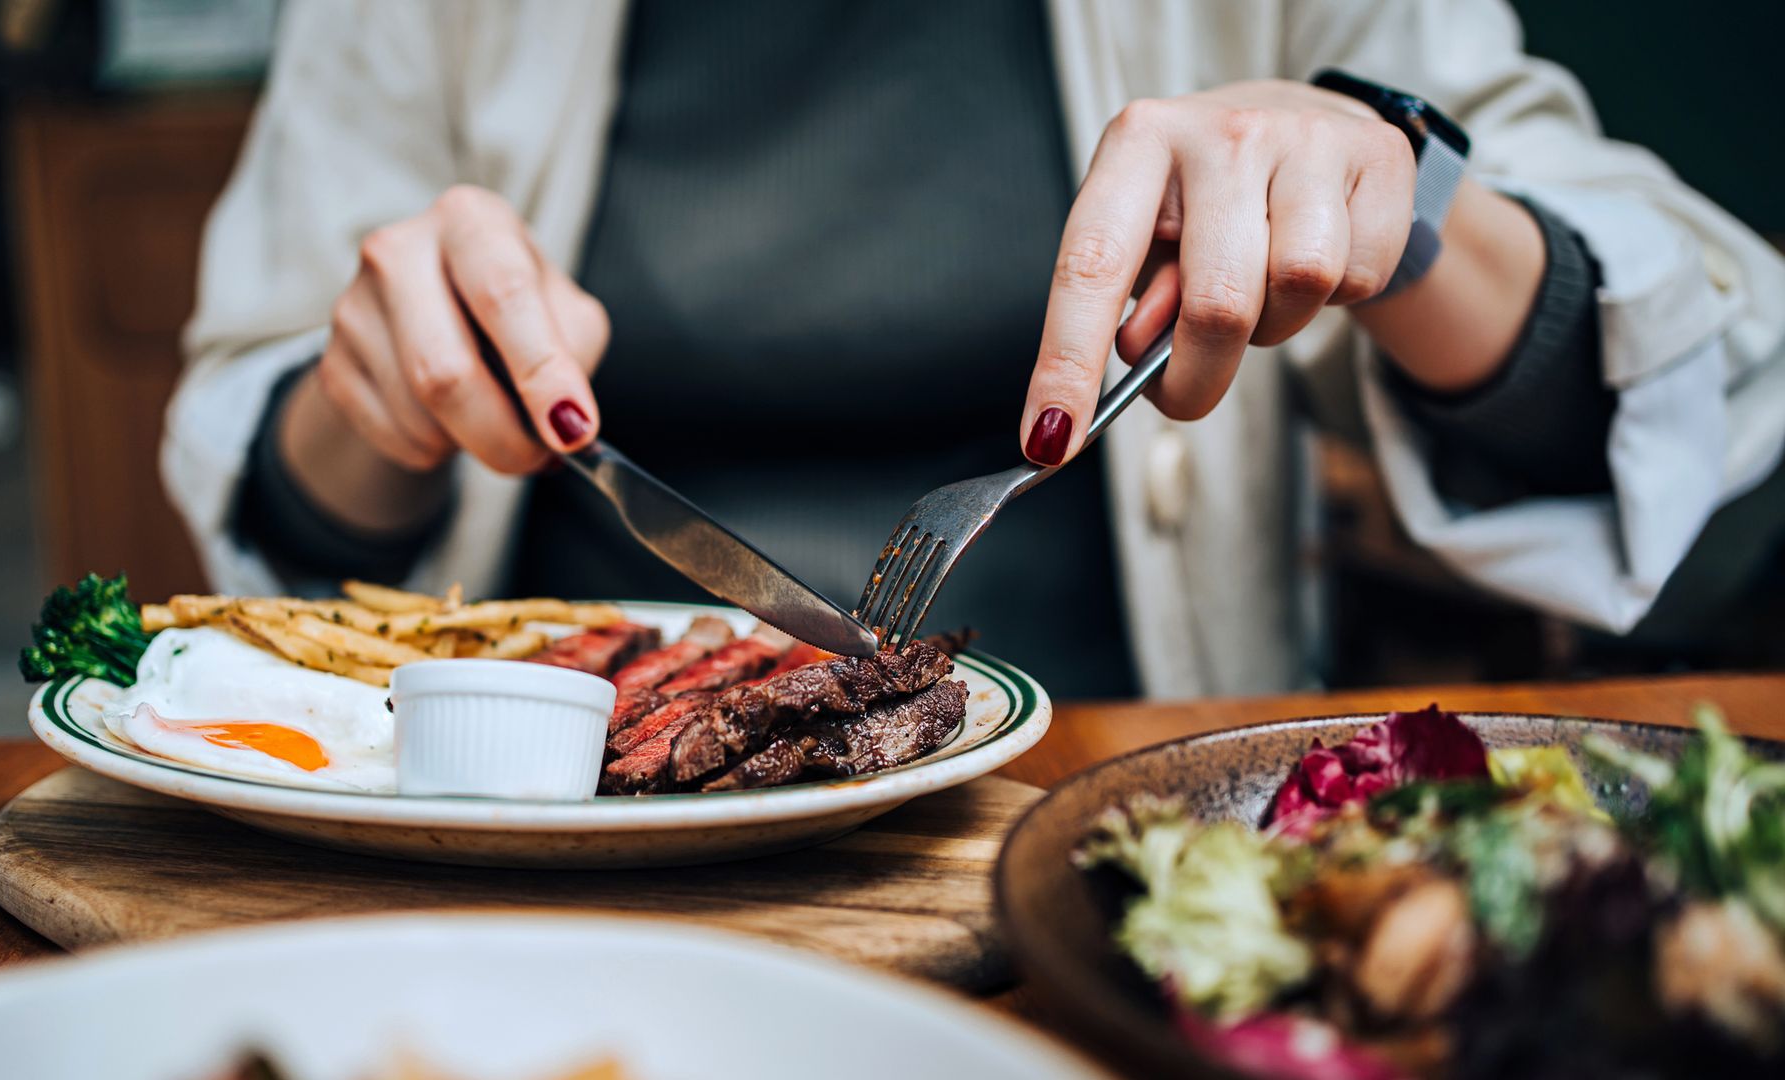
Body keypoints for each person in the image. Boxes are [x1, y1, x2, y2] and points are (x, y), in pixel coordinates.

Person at [165, 0, 1785, 699]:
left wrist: (1403, 206)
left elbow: (1708, 378)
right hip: (528, 838)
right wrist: (375, 401)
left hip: (1100, 823)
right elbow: (278, 510)